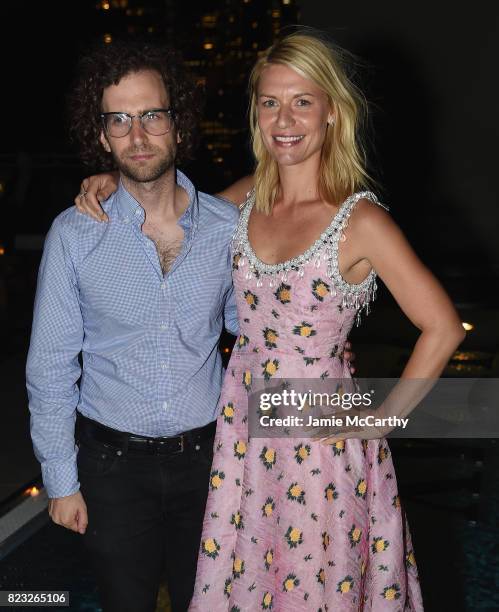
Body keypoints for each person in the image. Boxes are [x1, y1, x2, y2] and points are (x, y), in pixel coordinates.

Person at [74, 30, 464, 611]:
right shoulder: (248, 197)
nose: (284, 118)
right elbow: (171, 209)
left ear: (332, 111)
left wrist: (381, 420)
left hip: (319, 437)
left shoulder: (360, 220)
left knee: (312, 587)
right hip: (241, 429)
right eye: (269, 102)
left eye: (302, 101)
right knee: (248, 580)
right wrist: (117, 181)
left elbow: (444, 327)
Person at [26, 39, 243, 612]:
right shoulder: (74, 235)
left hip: (209, 463)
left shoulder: (228, 230)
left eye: (151, 115)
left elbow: (258, 339)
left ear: (178, 124)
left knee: (213, 602)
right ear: (101, 136)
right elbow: (49, 367)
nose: (137, 134)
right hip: (111, 468)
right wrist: (61, 481)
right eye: (118, 120)